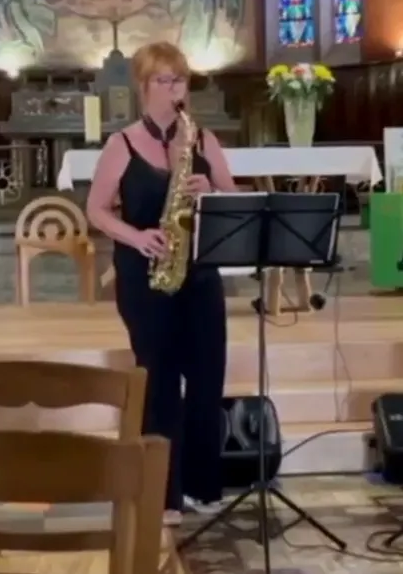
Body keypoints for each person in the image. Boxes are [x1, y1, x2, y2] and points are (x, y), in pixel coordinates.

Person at [87, 40, 237, 525]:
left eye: (180, 80)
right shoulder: (122, 144)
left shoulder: (202, 140)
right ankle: (163, 492)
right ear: (143, 85)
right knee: (159, 381)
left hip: (199, 272)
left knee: (208, 376)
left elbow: (233, 200)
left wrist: (210, 190)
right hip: (145, 275)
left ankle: (202, 484)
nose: (175, 89)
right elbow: (95, 210)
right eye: (164, 80)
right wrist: (137, 236)